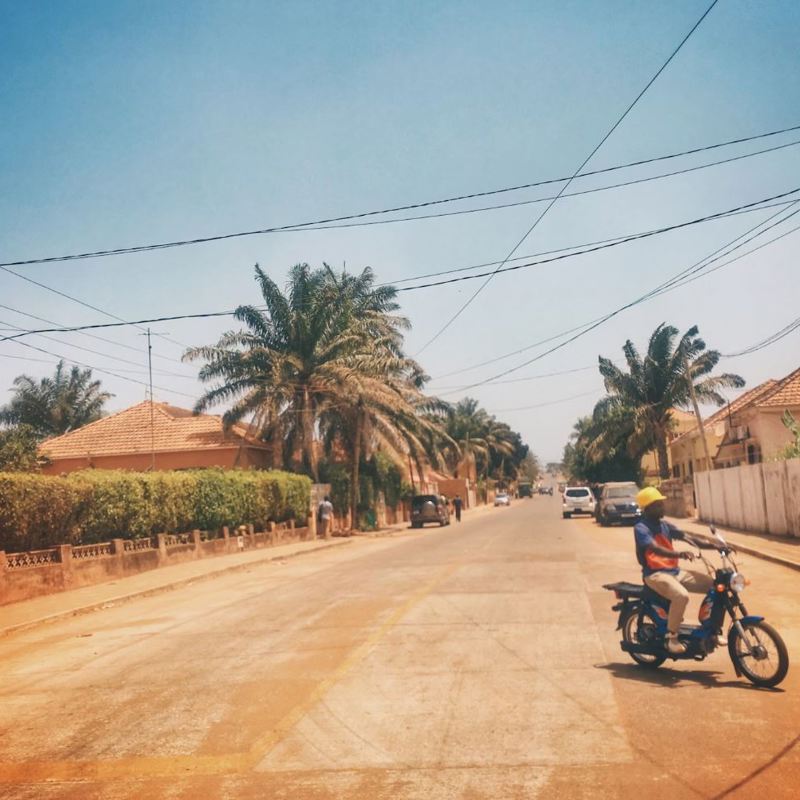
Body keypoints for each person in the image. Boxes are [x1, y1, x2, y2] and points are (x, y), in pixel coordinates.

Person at [633, 487, 716, 654]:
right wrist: (679, 554)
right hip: (655, 574)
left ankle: (710, 629)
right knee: (681, 596)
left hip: (674, 572)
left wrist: (716, 545)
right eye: (658, 505)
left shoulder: (664, 525)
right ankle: (672, 638)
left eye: (661, 503)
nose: (662, 507)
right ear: (648, 508)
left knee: (715, 585)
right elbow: (655, 548)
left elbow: (688, 537)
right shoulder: (641, 528)